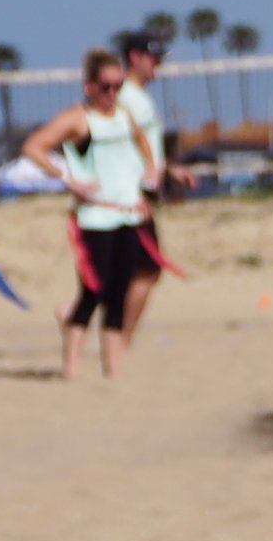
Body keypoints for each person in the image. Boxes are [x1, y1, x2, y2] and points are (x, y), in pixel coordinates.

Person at [23, 48, 160, 380]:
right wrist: (67, 179)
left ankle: (113, 368)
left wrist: (148, 180)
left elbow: (143, 145)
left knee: (119, 293)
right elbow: (33, 147)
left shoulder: (125, 114)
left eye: (118, 86)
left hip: (128, 215)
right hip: (95, 218)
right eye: (105, 86)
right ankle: (71, 366)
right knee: (93, 292)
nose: (112, 93)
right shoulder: (78, 118)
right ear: (89, 86)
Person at [115, 32, 191, 337]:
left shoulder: (139, 97)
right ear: (134, 57)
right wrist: (134, 192)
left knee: (131, 273)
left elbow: (143, 150)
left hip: (138, 196)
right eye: (153, 57)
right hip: (131, 198)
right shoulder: (124, 96)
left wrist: (169, 169)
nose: (157, 63)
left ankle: (109, 334)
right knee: (145, 271)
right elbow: (119, 149)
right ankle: (119, 340)